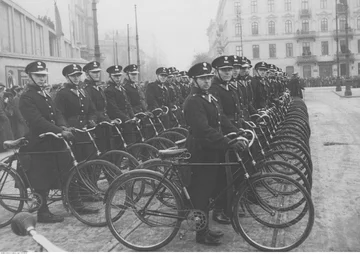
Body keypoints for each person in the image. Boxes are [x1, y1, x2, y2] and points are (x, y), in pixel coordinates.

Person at [184, 62, 246, 245]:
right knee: (201, 194)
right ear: (194, 80)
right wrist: (227, 142)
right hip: (201, 151)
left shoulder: (209, 97)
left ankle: (206, 228)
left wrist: (238, 132)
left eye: (209, 78)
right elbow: (203, 130)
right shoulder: (193, 101)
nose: (207, 81)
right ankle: (201, 234)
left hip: (213, 149)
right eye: (202, 78)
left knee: (212, 189)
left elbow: (222, 120)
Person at [18, 61, 75, 223]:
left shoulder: (45, 94)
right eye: (38, 76)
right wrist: (60, 131)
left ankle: (69, 201)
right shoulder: (27, 97)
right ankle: (42, 213)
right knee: (41, 177)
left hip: (50, 139)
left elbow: (56, 112)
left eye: (44, 75)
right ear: (29, 77)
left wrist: (63, 125)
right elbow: (37, 121)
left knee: (56, 171)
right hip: (37, 142)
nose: (42, 79)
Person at [104, 65, 137, 145]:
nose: (118, 78)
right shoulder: (109, 90)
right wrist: (126, 118)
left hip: (126, 119)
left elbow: (128, 104)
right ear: (110, 77)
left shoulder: (121, 88)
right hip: (118, 120)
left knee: (134, 139)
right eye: (115, 76)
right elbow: (114, 109)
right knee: (123, 143)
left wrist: (133, 116)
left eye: (119, 76)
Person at [0, 83, 14, 153]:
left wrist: (5, 103)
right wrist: (6, 118)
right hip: (1, 120)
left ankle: (4, 147)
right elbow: (0, 111)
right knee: (2, 134)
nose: (3, 93)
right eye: (2, 91)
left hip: (2, 119)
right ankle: (2, 148)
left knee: (4, 133)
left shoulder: (1, 99)